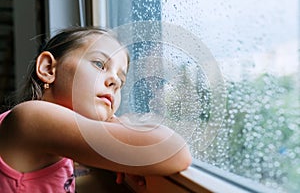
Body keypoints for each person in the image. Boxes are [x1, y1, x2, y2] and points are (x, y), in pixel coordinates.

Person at [0, 27, 192, 192]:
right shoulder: (31, 118)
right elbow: (175, 151)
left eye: (121, 81)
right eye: (99, 64)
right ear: (48, 68)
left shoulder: (58, 146)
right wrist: (123, 126)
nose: (115, 81)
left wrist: (121, 155)